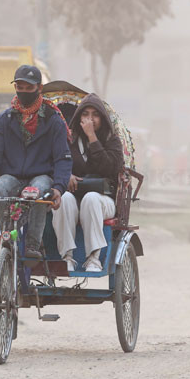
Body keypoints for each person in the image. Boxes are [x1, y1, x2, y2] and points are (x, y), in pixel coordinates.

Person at [0, 65, 72, 260]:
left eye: (29, 88)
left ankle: (34, 245)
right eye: (20, 87)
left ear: (39, 89)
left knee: (38, 190)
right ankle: (5, 239)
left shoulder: (54, 121)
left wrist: (59, 188)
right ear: (15, 88)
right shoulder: (5, 119)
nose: (24, 92)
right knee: (0, 187)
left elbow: (63, 159)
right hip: (12, 175)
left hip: (41, 175)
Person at [51, 93, 124, 272]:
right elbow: (56, 162)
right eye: (85, 114)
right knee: (64, 199)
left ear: (102, 118)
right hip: (75, 197)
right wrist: (66, 175)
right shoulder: (69, 141)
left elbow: (109, 168)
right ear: (79, 117)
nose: (90, 119)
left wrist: (92, 137)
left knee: (91, 198)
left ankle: (93, 258)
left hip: (103, 200)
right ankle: (67, 256)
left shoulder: (111, 140)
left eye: (95, 115)